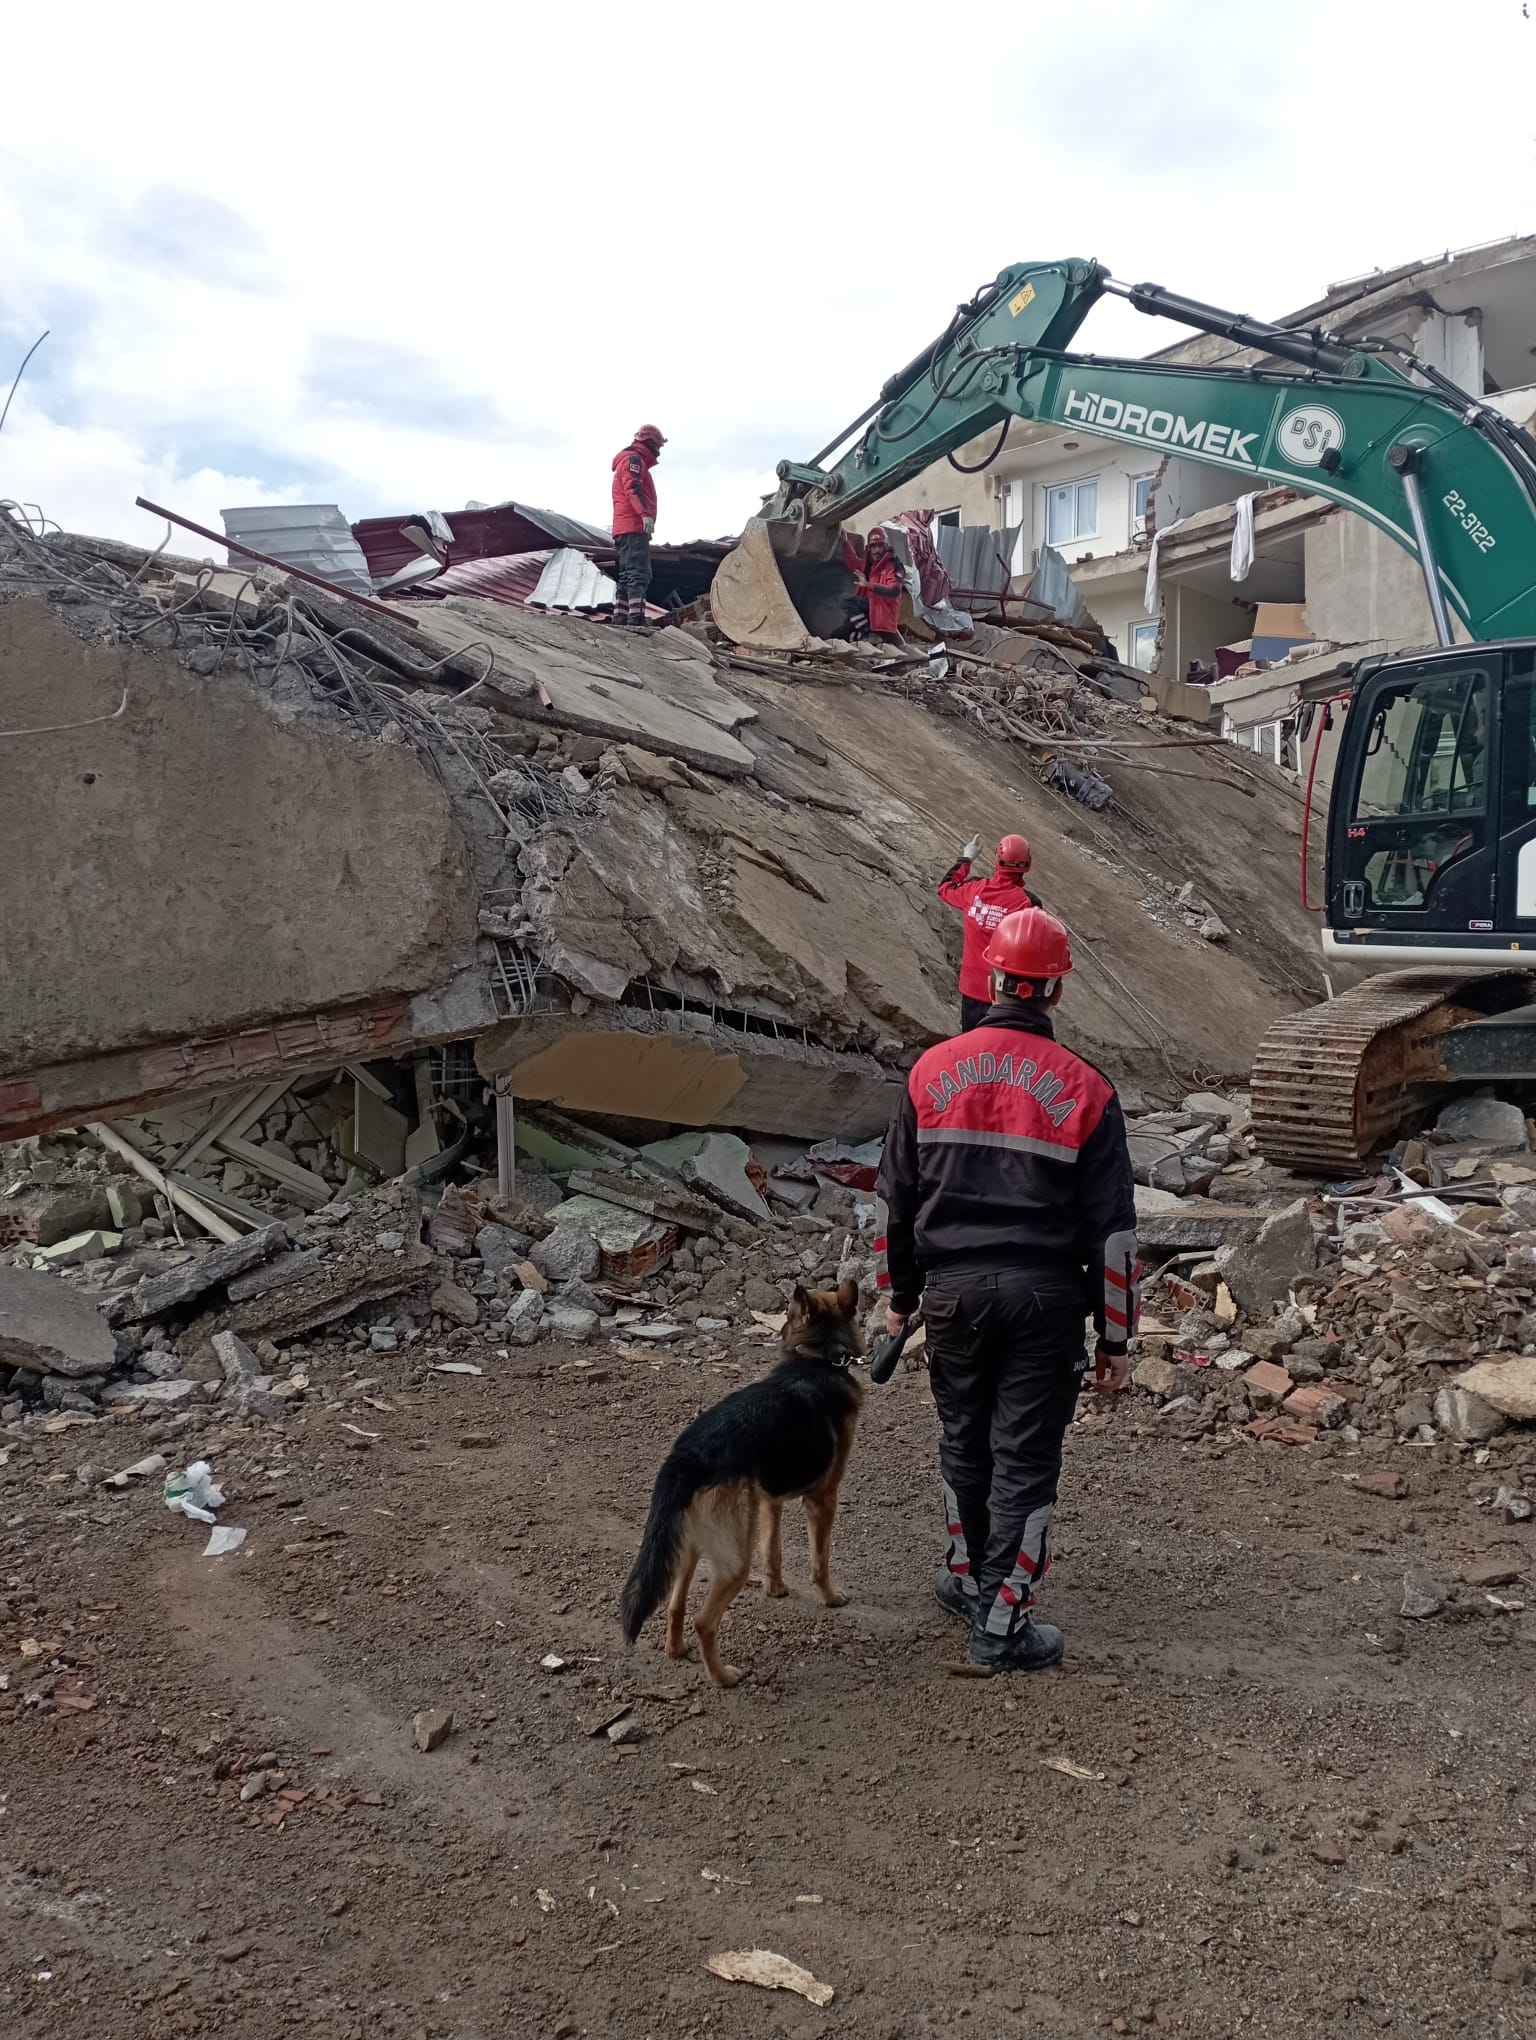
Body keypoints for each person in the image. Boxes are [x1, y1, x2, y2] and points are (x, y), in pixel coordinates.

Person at [873, 906, 1139, 1673]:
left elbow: (896, 1198)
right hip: (1044, 1303)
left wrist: (900, 1298)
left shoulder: (930, 1072)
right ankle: (1001, 1624)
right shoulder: (1088, 1090)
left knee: (964, 1440)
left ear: (992, 977)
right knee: (1023, 1456)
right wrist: (1116, 1338)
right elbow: (1114, 1235)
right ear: (1055, 991)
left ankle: (967, 1579)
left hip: (951, 1297)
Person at [937, 832, 1041, 1031]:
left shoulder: (973, 889)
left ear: (997, 860)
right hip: (1006, 996)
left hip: (971, 989)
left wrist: (967, 858)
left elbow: (945, 888)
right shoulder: (1028, 904)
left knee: (971, 1045)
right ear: (1027, 865)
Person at [610, 424, 666, 627]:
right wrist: (645, 515)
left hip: (624, 527)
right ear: (650, 443)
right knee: (638, 573)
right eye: (658, 447)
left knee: (627, 574)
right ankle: (636, 618)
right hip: (633, 526)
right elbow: (633, 488)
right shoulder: (634, 461)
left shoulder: (629, 460)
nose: (658, 452)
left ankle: (621, 615)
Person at [840, 526, 906, 641]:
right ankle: (864, 638)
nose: (876, 550)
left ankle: (869, 633)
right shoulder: (870, 565)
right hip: (870, 611)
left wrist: (868, 585)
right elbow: (854, 563)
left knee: (846, 600)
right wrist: (846, 542)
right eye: (873, 546)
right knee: (838, 634)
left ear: (885, 547)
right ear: (869, 548)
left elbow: (894, 591)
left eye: (880, 545)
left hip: (881, 614)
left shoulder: (893, 565)